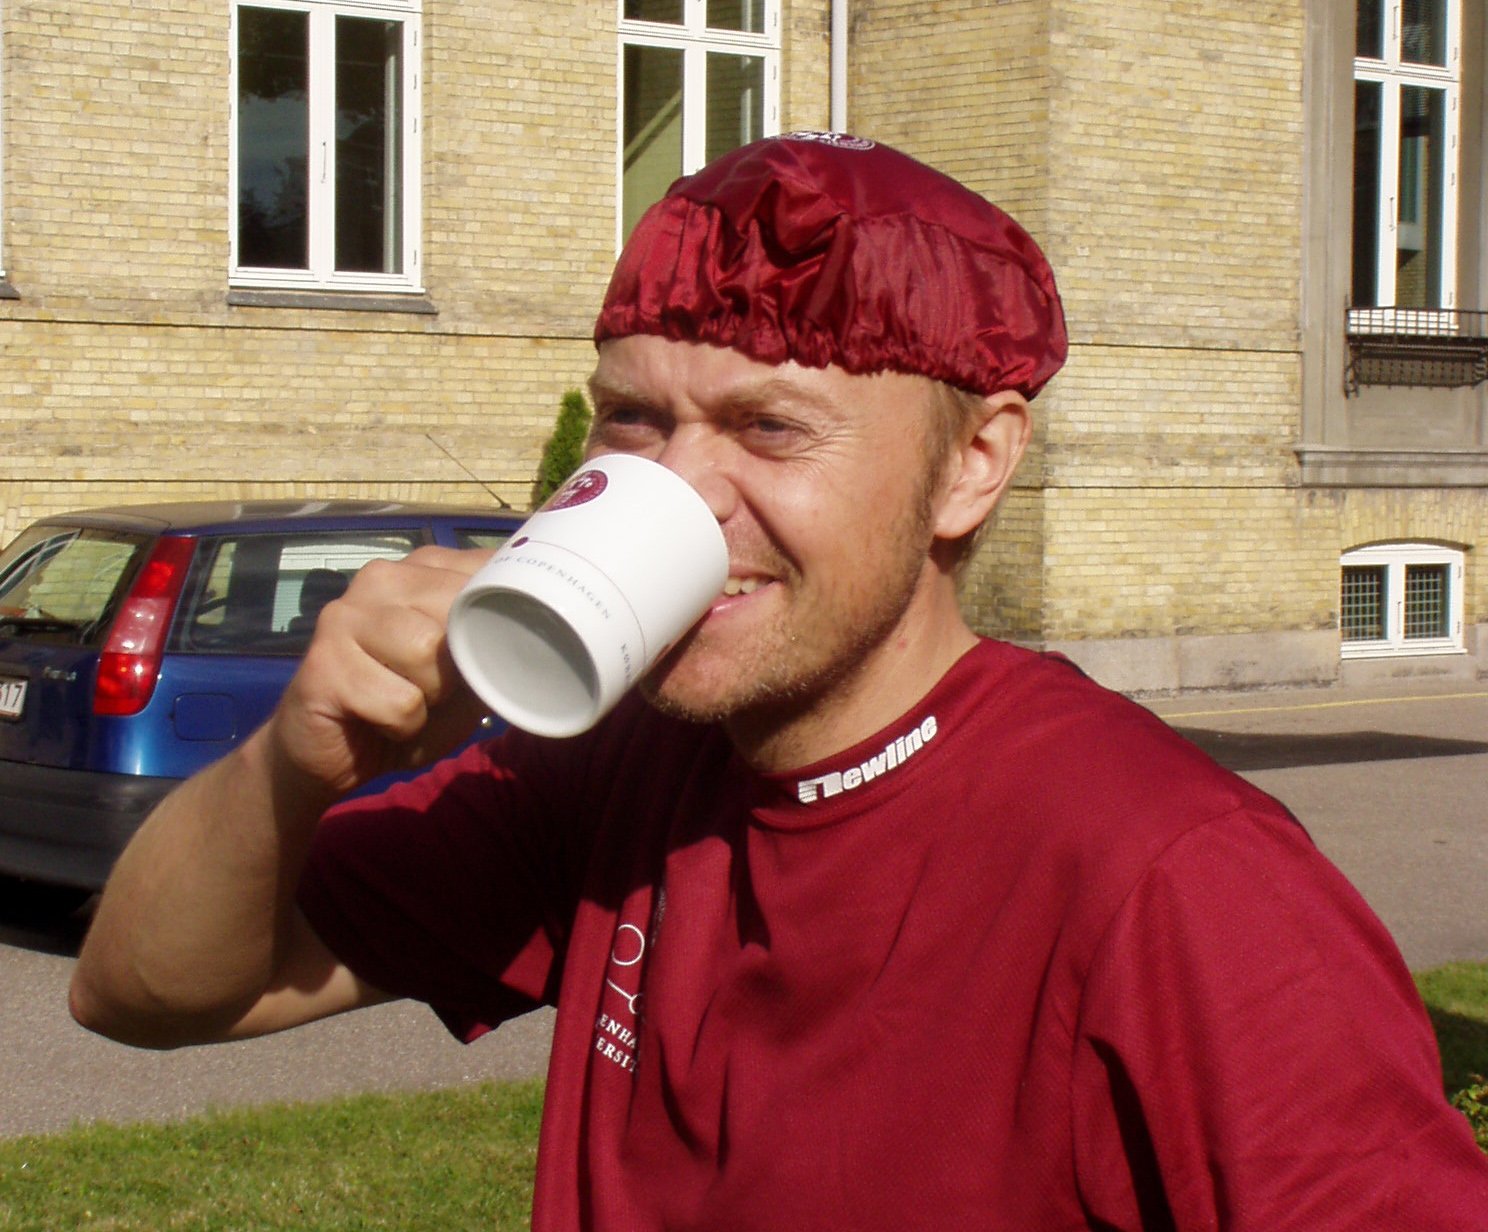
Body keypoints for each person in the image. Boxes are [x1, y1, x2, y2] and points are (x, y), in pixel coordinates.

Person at [71, 132, 1488, 1230]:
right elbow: (139, 993)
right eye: (634, 417)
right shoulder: (612, 768)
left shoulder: (1177, 876)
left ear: (973, 466)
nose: (685, 493)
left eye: (770, 427)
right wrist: (294, 764)